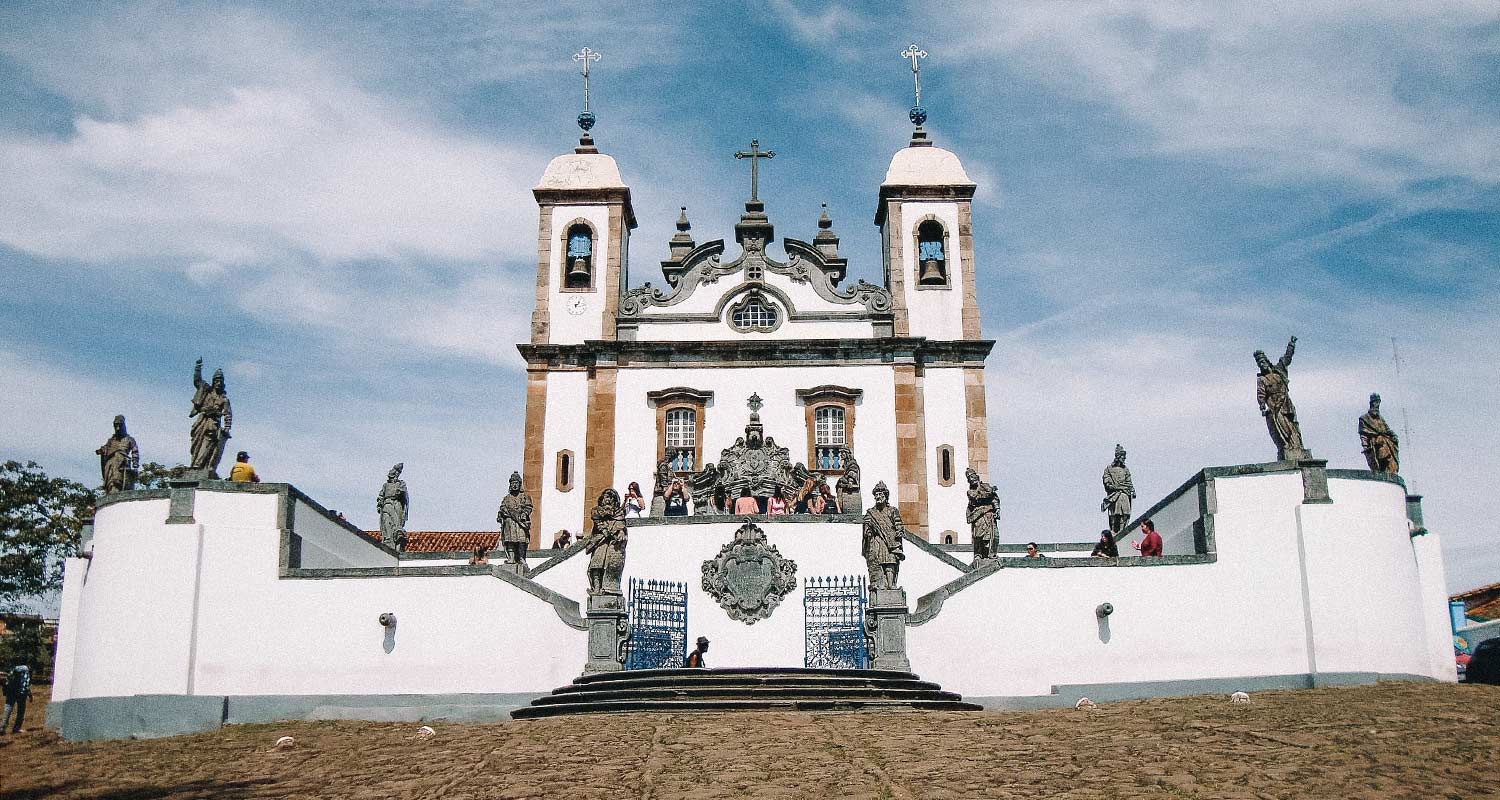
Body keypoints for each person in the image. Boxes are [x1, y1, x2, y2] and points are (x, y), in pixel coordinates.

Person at [1254, 336, 1307, 461]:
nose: (1262, 364)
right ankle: (1288, 448)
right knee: (1282, 429)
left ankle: (1297, 447)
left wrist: (1291, 344)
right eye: (1259, 363)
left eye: (1263, 361)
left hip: (1286, 404)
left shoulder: (1279, 370)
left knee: (1293, 427)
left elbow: (1287, 358)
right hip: (1275, 408)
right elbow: (1261, 394)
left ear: (1267, 361)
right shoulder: (1262, 380)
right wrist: (1262, 405)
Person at [188, 358, 233, 477]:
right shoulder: (206, 391)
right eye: (216, 380)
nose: (218, 383)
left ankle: (199, 466)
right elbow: (197, 381)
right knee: (196, 443)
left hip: (212, 423)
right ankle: (194, 463)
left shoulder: (223, 399)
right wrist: (198, 368)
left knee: (208, 444)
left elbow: (228, 414)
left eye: (220, 381)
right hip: (201, 420)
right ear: (213, 382)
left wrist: (227, 428)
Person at [861, 482, 906, 589]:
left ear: (886, 496)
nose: (878, 497)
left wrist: (899, 530)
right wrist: (868, 531)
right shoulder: (871, 513)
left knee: (890, 561)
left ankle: (891, 585)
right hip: (877, 540)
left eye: (880, 494)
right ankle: (881, 584)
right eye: (876, 495)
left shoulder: (892, 510)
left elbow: (898, 523)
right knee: (879, 562)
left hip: (891, 540)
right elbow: (867, 528)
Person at [496, 471, 534, 572]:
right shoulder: (506, 498)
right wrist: (501, 514)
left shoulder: (525, 497)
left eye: (516, 483)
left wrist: (524, 513)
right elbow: (502, 508)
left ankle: (521, 558)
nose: (514, 485)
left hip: (520, 523)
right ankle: (511, 558)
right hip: (509, 523)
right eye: (512, 483)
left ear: (519, 484)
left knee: (521, 541)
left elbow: (529, 507)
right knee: (510, 541)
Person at [96, 414, 140, 494]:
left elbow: (135, 452)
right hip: (110, 466)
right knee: (111, 484)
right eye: (116, 426)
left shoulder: (129, 439)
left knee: (117, 482)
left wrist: (135, 465)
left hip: (122, 464)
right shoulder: (111, 441)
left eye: (120, 425)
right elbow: (106, 448)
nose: (118, 428)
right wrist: (102, 450)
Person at [1359, 393, 1400, 474]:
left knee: (1392, 461)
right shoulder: (1364, 418)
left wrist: (1394, 436)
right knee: (1382, 450)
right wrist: (1365, 447)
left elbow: (1387, 429)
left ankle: (1390, 471)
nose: (1377, 405)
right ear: (1371, 403)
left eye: (1379, 403)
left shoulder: (1380, 418)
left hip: (1386, 441)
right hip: (1376, 443)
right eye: (1376, 402)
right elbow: (1363, 434)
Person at [2, 665, 31, 735]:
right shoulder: (25, 668)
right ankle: (16, 728)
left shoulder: (16, 668)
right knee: (20, 711)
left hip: (11, 691)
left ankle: (2, 729)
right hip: (20, 692)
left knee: (8, 709)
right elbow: (26, 683)